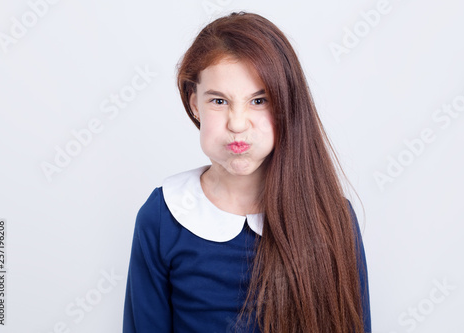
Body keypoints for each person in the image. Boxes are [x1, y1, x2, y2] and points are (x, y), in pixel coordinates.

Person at [123, 11, 371, 333]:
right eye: (219, 101)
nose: (237, 123)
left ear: (285, 104)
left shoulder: (332, 218)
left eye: (258, 100)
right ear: (194, 103)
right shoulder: (163, 217)